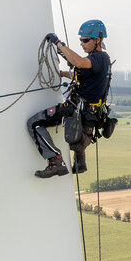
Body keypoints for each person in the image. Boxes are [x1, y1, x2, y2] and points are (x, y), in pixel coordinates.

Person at [27, 19, 111, 178]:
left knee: (34, 123)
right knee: (78, 130)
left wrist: (59, 43)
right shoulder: (98, 60)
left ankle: (55, 160)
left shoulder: (98, 58)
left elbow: (78, 62)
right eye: (80, 40)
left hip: (75, 109)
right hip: (87, 113)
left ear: (97, 40)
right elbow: (84, 76)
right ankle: (80, 159)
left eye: (85, 40)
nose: (82, 43)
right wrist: (63, 74)